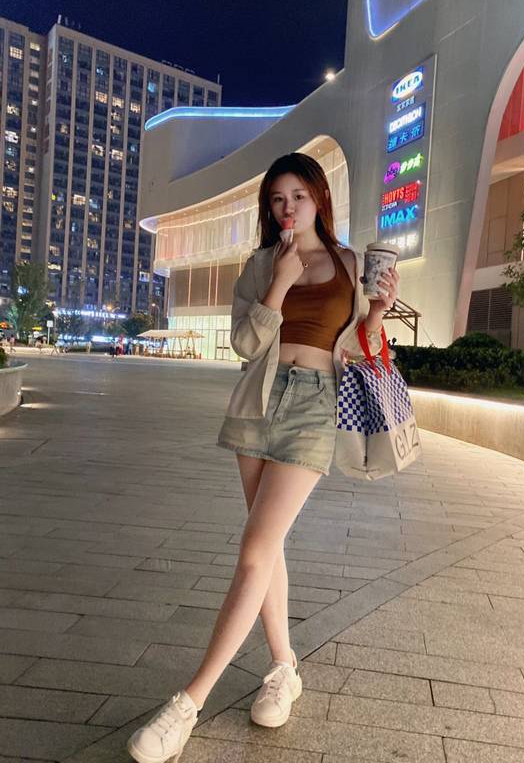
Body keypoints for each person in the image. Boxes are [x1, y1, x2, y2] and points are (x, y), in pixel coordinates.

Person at [126, 153, 399, 763]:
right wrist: (278, 281)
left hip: (315, 408)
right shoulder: (258, 265)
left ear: (319, 199)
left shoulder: (349, 263)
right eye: (277, 199)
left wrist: (378, 311)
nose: (287, 207)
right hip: (258, 402)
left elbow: (361, 347)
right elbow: (245, 344)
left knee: (253, 552)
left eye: (298, 195)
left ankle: (189, 703)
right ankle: (283, 668)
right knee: (265, 547)